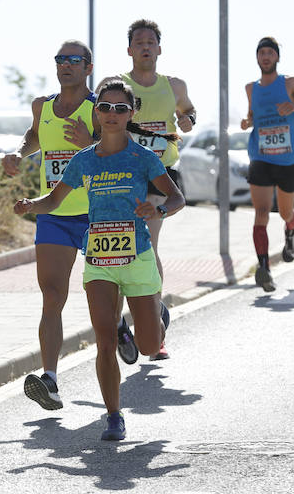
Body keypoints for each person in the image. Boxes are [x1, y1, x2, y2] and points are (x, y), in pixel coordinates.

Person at [13, 79, 184, 441]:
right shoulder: (84, 160)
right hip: (101, 260)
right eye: (105, 107)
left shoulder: (143, 157)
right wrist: (32, 205)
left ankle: (156, 316)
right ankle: (113, 416)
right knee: (104, 342)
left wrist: (158, 211)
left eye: (121, 109)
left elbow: (177, 198)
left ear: (131, 113)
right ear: (97, 112)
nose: (112, 114)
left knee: (150, 346)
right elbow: (55, 200)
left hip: (137, 258)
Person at [1, 40, 106, 411]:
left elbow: (119, 144)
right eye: (60, 59)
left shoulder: (99, 106)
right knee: (52, 295)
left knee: (104, 297)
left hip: (97, 213)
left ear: (87, 67)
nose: (65, 65)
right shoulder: (42, 106)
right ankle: (51, 380)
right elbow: (35, 136)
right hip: (53, 211)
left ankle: (121, 327)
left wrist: (91, 140)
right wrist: (18, 152)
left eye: (73, 60)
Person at [100, 18, 196, 361]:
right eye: (138, 41)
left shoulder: (174, 85)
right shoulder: (115, 86)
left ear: (158, 48)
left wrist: (187, 120)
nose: (144, 46)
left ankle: (153, 327)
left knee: (147, 245)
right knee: (118, 246)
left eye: (150, 41)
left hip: (161, 175)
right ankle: (124, 323)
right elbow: (99, 120)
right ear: (129, 50)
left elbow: (188, 111)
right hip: (121, 175)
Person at [241, 37, 294, 291]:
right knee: (261, 213)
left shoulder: (291, 83)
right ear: (257, 58)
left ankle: (290, 233)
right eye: (261, 53)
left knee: (285, 212)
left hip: (287, 160)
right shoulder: (251, 88)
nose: (266, 57)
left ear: (277, 57)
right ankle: (264, 268)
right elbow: (253, 116)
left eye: (270, 53)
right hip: (260, 156)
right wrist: (247, 122)